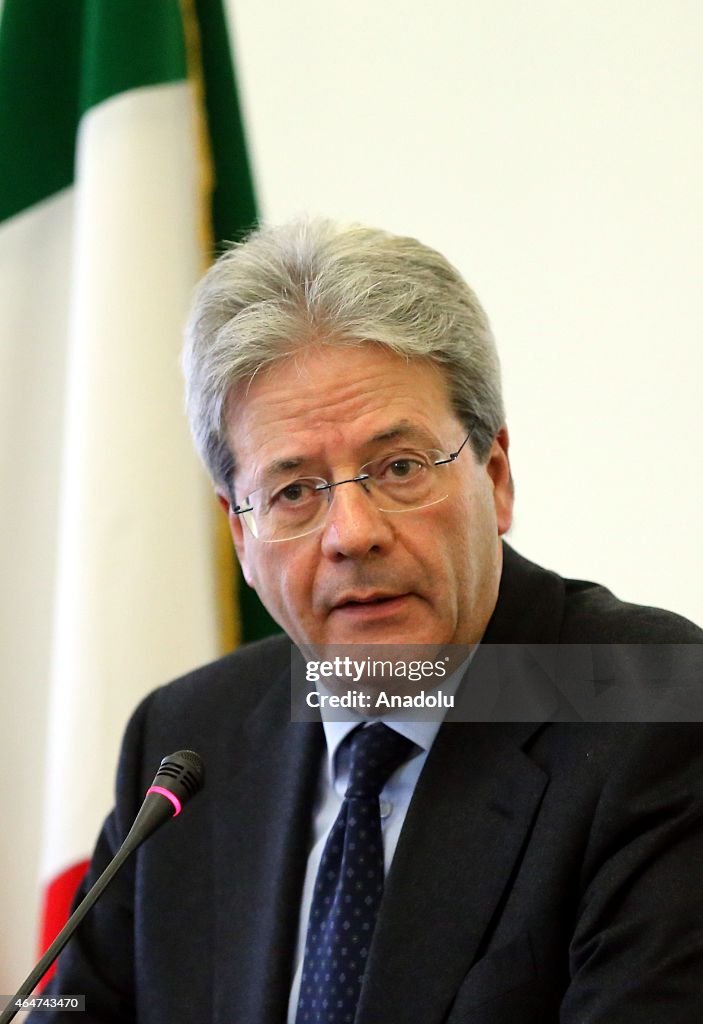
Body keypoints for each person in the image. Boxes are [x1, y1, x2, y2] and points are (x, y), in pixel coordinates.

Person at [33, 219, 703, 1023]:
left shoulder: (653, 708)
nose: (352, 533)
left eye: (399, 468)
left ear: (495, 478)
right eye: (293, 492)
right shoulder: (187, 740)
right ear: (239, 533)